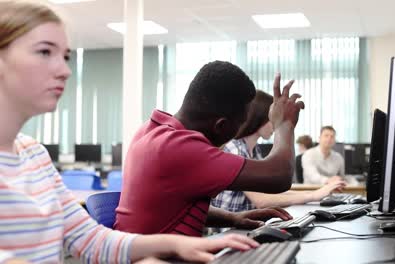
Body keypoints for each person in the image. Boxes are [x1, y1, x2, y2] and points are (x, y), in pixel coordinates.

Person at [0, 1, 260, 263]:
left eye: (66, 56)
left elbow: (91, 240)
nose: (65, 70)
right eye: (45, 52)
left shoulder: (34, 155)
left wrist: (178, 245)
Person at [115, 61, 304, 236]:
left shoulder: (152, 130)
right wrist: (283, 124)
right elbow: (279, 176)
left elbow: (170, 205)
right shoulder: (182, 148)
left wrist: (232, 218)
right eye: (240, 123)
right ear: (221, 126)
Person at [211, 90, 346, 212]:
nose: (276, 126)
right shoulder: (235, 149)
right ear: (260, 118)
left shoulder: (255, 150)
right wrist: (313, 195)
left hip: (246, 227)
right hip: (228, 231)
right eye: (274, 119)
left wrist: (317, 194)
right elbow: (261, 200)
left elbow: (270, 193)